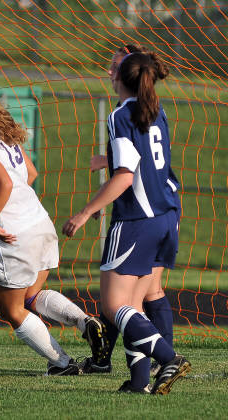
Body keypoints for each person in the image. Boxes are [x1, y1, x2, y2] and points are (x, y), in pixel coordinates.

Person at [0, 83, 109, 376]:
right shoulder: (3, 133)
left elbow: (5, 183)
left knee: (10, 310)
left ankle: (62, 364)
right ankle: (85, 322)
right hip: (40, 223)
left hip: (15, 234)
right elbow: (30, 174)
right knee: (31, 297)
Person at [62, 51, 190, 394]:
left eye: (114, 68)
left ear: (121, 77)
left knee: (114, 305)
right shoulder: (156, 109)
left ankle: (170, 358)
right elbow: (144, 162)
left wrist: (85, 212)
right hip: (165, 216)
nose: (109, 72)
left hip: (136, 221)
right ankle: (138, 382)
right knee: (134, 304)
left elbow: (124, 175)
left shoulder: (120, 115)